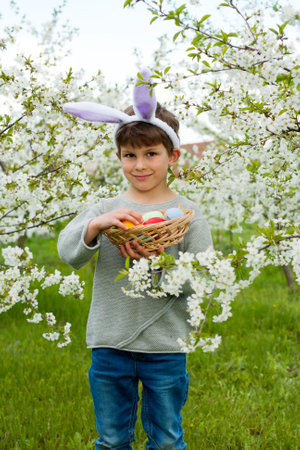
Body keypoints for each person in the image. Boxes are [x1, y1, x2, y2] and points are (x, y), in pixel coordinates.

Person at [58, 70, 212, 449]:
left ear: (172, 156)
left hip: (165, 346)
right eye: (130, 155)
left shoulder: (187, 212)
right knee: (111, 439)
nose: (140, 165)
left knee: (166, 440)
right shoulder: (107, 209)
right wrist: (94, 227)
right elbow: (67, 253)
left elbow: (203, 279)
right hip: (110, 343)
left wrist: (160, 262)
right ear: (119, 156)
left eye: (151, 154)